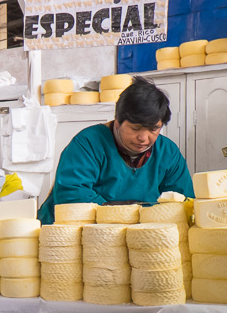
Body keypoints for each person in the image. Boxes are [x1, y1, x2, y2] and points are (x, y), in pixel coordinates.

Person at [37, 76, 194, 224]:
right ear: (117, 121)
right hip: (67, 238)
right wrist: (128, 214)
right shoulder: (87, 144)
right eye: (136, 128)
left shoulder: (168, 153)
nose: (144, 138)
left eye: (153, 129)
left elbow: (183, 201)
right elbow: (71, 195)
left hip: (140, 236)